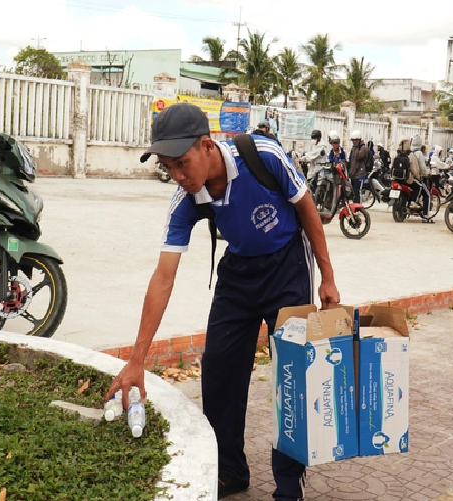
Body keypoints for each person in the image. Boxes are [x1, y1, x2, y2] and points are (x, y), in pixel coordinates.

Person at [106, 103, 340, 501]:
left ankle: (288, 485)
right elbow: (163, 277)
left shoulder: (263, 156)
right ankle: (229, 469)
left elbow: (308, 211)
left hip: (287, 268)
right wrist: (137, 359)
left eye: (181, 164)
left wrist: (328, 278)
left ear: (206, 145)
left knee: (293, 375)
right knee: (218, 372)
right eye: (167, 168)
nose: (178, 177)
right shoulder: (186, 201)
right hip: (238, 276)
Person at [410, 134, 433, 222]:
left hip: (407, 178)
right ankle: (426, 216)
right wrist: (427, 173)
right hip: (417, 178)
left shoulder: (408, 152)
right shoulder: (419, 153)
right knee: (427, 194)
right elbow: (423, 168)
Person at [347, 129, 368, 204]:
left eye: (355, 140)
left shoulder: (363, 148)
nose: (353, 142)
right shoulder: (354, 148)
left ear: (359, 140)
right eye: (352, 140)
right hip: (353, 174)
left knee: (358, 191)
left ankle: (359, 206)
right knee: (354, 192)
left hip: (360, 174)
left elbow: (358, 156)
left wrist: (355, 147)